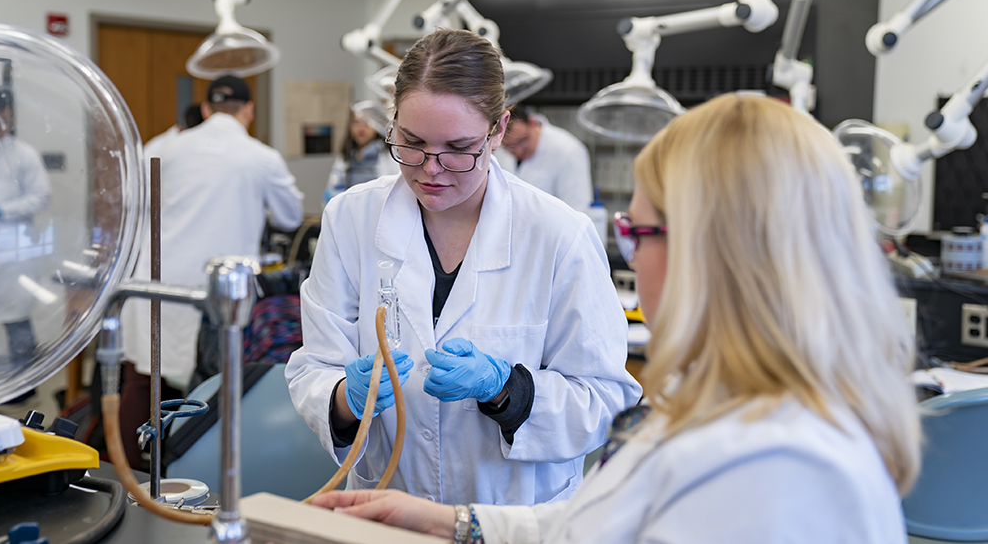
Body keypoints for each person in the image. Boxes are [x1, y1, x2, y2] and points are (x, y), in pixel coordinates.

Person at [311, 93, 922, 543]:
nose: (629, 254)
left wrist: (509, 391)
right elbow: (593, 527)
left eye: (637, 231)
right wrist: (452, 523)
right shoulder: (724, 409)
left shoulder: (783, 464)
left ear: (718, 251)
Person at [286, 28, 640, 506]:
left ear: (498, 131)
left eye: (458, 148)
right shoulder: (350, 219)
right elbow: (314, 367)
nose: (431, 168)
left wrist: (507, 391)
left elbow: (604, 399)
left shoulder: (559, 234)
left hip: (515, 518)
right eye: (411, 142)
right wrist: (345, 398)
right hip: (387, 509)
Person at [120, 74, 304, 469]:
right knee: (208, 387)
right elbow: (290, 217)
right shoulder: (260, 157)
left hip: (154, 280)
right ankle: (187, 473)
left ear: (205, 110)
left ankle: (130, 475)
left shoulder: (164, 148)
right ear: (249, 111)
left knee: (142, 378)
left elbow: (132, 208)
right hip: (212, 291)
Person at [0, 85, 51, 372]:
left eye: (6, 121)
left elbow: (41, 197)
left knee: (16, 318)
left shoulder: (24, 154)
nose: (2, 128)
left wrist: (2, 210)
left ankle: (23, 384)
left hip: (11, 252)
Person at [498, 103, 592, 212]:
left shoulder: (568, 150)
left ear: (533, 123)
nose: (518, 151)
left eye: (523, 141)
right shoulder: (500, 149)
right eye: (510, 147)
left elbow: (578, 209)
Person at [323, 100, 397, 203]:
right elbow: (333, 189)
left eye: (367, 123)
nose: (361, 128)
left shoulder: (388, 156)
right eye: (356, 122)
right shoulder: (345, 157)